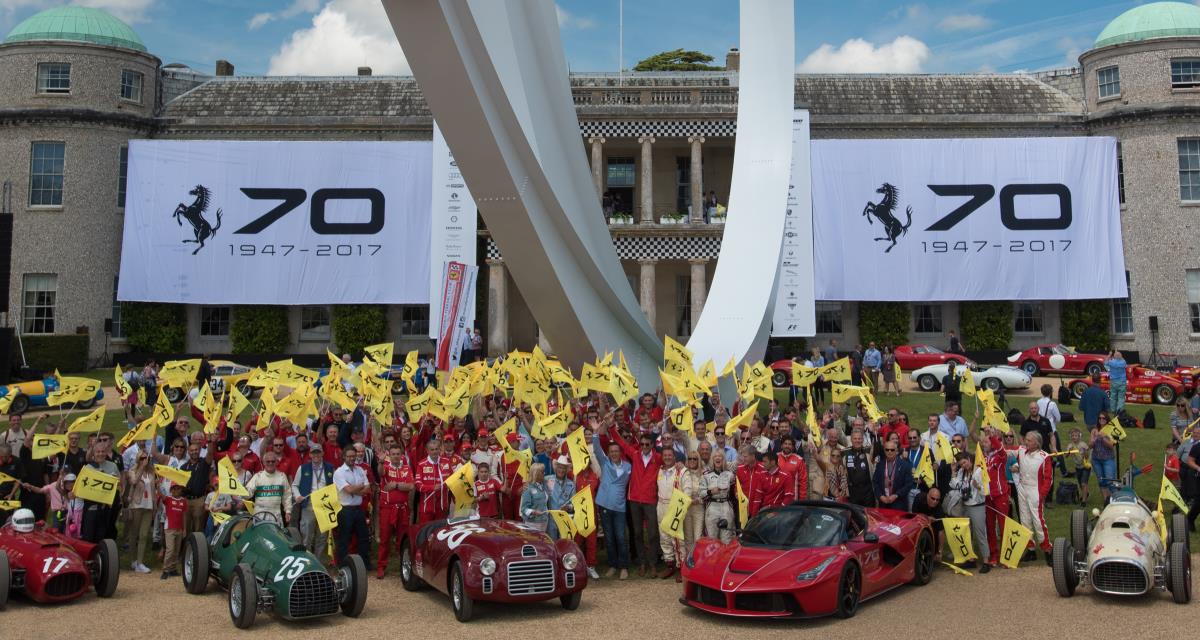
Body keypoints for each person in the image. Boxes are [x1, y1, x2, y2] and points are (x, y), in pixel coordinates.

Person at [608, 427, 662, 577]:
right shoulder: (635, 454)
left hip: (650, 500)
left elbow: (669, 462)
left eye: (647, 444)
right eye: (642, 444)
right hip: (634, 500)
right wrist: (611, 428)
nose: (644, 446)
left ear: (652, 445)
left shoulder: (658, 458)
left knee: (652, 533)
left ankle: (653, 563)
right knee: (637, 533)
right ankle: (642, 562)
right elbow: (621, 443)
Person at [592, 435, 631, 579]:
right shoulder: (605, 463)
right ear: (608, 453)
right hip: (604, 505)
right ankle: (613, 565)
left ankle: (623, 567)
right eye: (611, 451)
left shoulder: (628, 466)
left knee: (620, 537)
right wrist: (595, 433)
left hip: (619, 506)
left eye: (616, 451)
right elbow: (597, 449)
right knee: (609, 537)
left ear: (620, 452)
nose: (614, 453)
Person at [1011, 431, 1053, 565]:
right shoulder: (1022, 451)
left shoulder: (1044, 456)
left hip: (1036, 490)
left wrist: (1042, 494)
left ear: (1037, 443)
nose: (1026, 442)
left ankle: (1047, 549)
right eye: (1026, 439)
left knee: (1038, 521)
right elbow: (1005, 451)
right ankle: (1030, 549)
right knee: (1024, 521)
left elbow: (1048, 478)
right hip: (1023, 489)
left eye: (1029, 440)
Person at [376, 443, 414, 579]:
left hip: (403, 508)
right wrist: (381, 462)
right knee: (385, 538)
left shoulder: (406, 468)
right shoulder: (386, 467)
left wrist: (396, 485)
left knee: (402, 539)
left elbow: (411, 486)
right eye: (393, 454)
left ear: (401, 455)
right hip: (387, 508)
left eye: (398, 454)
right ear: (389, 456)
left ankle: (403, 566)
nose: (396, 456)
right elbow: (380, 473)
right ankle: (381, 566)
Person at [948, 451, 989, 572]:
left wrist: (978, 486)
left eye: (965, 462)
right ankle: (971, 560)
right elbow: (955, 485)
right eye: (961, 464)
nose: (964, 466)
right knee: (967, 534)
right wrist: (953, 471)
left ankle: (986, 561)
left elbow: (986, 491)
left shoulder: (979, 471)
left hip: (977, 506)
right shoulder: (962, 471)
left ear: (969, 459)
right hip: (965, 505)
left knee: (980, 534)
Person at [334, 445, 372, 570]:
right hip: (345, 510)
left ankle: (364, 564)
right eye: (349, 456)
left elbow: (367, 488)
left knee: (363, 537)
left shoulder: (360, 469)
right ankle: (343, 565)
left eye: (353, 456)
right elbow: (348, 490)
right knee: (344, 539)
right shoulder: (339, 472)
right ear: (344, 457)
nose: (352, 458)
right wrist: (359, 487)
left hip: (358, 509)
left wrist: (353, 489)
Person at [125, 451, 157, 573]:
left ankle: (140, 562)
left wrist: (154, 506)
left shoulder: (152, 472)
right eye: (142, 458)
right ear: (138, 459)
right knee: (134, 534)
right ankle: (133, 560)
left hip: (148, 506)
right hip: (136, 505)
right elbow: (134, 481)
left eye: (147, 458)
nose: (145, 460)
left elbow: (153, 490)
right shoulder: (132, 471)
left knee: (143, 535)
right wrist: (141, 468)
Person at [654, 448, 683, 579]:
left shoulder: (679, 470)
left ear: (674, 457)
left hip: (674, 505)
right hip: (661, 505)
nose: (667, 457)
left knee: (676, 538)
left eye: (669, 455)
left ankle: (681, 567)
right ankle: (669, 565)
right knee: (664, 536)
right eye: (665, 455)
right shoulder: (659, 470)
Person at [677, 451, 706, 578]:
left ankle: (698, 565)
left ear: (698, 460)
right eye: (690, 458)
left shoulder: (703, 474)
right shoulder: (683, 473)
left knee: (698, 538)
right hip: (686, 509)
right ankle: (689, 565)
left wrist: (698, 500)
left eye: (695, 458)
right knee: (688, 538)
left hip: (698, 508)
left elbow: (706, 493)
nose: (692, 461)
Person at [244, 451, 292, 525]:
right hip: (259, 514)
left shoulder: (282, 476)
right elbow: (248, 493)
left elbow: (287, 495)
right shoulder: (258, 476)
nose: (270, 463)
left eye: (273, 461)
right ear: (263, 462)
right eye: (268, 461)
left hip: (276, 514)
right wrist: (241, 491)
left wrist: (288, 511)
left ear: (277, 462)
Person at [703, 453, 735, 543]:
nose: (718, 458)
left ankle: (725, 553)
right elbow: (701, 493)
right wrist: (710, 492)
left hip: (726, 506)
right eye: (715, 456)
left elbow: (735, 491)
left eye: (720, 456)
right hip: (712, 506)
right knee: (712, 539)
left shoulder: (730, 475)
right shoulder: (706, 475)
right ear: (712, 460)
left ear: (723, 459)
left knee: (726, 538)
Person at [873, 438, 912, 511]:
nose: (889, 452)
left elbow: (908, 484)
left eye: (892, 450)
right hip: (883, 503)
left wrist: (896, 495)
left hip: (899, 504)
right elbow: (875, 482)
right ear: (884, 451)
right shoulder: (880, 465)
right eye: (887, 450)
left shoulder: (905, 465)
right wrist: (880, 496)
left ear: (896, 451)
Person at [160, 482, 187, 579]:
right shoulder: (168, 499)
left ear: (181, 490)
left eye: (178, 488)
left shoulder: (183, 501)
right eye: (174, 489)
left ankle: (173, 569)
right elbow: (161, 496)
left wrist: (184, 529)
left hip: (179, 529)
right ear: (171, 490)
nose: (176, 490)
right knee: (170, 550)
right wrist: (157, 486)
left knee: (176, 550)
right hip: (169, 528)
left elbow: (184, 516)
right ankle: (165, 570)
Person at [1091, 412, 1118, 503]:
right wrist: (1092, 441)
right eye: (1100, 418)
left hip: (1108, 459)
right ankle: (1106, 501)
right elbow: (1090, 445)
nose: (1101, 420)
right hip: (1096, 460)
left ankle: (1116, 500)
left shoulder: (1111, 430)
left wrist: (1103, 437)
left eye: (1103, 418)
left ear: (1107, 419)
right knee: (1101, 481)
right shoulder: (1094, 430)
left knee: (1110, 481)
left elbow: (1111, 445)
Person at [546, 456, 576, 539]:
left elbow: (574, 504)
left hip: (564, 519)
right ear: (556, 468)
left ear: (566, 470)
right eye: (559, 467)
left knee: (564, 543)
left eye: (564, 468)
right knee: (552, 543)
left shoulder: (571, 485)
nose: (561, 470)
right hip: (551, 519)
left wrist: (568, 507)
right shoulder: (547, 480)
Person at [844, 430, 875, 507]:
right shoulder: (845, 455)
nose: (857, 441)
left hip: (868, 493)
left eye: (859, 438)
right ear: (851, 440)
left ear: (862, 440)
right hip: (852, 493)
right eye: (855, 438)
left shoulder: (868, 453)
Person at [520, 463, 550, 531]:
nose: (544, 473)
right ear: (536, 474)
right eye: (542, 472)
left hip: (544, 521)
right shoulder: (528, 488)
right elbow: (524, 509)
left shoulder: (544, 485)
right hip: (532, 523)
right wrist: (533, 512)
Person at [1066, 428, 1091, 504]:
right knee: (1080, 484)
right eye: (1072, 436)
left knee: (1084, 483)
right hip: (1077, 467)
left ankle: (1084, 501)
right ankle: (1086, 493)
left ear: (1079, 436)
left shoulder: (1083, 444)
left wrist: (1085, 453)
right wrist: (1069, 451)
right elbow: (1066, 456)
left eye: (1076, 435)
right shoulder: (1070, 445)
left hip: (1085, 466)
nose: (1074, 437)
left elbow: (1087, 456)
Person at [1105, 350, 1128, 416]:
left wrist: (1109, 355)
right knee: (1121, 397)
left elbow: (1105, 362)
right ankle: (1119, 410)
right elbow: (1125, 363)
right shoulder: (1123, 362)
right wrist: (1120, 356)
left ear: (1114, 356)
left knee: (1113, 396)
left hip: (1113, 382)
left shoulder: (1111, 362)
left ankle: (1113, 409)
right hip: (1122, 382)